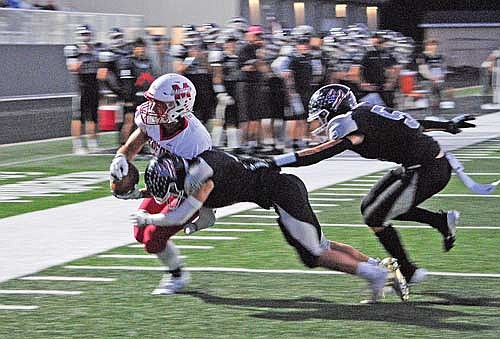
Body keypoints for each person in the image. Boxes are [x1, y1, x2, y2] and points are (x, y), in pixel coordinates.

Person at [131, 150, 408, 303]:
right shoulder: (198, 169)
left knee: (314, 254)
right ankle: (381, 267)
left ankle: (374, 275)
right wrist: (194, 228)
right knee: (322, 246)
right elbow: (206, 217)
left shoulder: (201, 177)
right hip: (283, 190)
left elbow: (178, 216)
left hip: (282, 193)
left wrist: (148, 219)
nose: (171, 195)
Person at [270, 84, 477, 284]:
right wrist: (447, 125)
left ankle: (408, 270)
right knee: (369, 207)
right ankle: (440, 221)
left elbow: (322, 153)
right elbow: (412, 123)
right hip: (421, 165)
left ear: (335, 109)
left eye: (322, 115)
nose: (320, 122)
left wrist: (274, 162)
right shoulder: (365, 111)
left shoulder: (351, 124)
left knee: (376, 216)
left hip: (428, 169)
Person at [109, 73, 214, 295]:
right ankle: (175, 269)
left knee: (152, 239)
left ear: (179, 106)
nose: (151, 108)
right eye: (152, 101)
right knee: (140, 233)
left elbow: (196, 187)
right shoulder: (154, 119)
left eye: (159, 104)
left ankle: (177, 275)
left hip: (190, 193)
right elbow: (132, 146)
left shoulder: (195, 141)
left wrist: (142, 193)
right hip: (167, 185)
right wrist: (120, 158)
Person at [64, 24, 101, 154]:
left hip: (93, 84)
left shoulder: (95, 49)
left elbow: (101, 68)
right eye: (83, 34)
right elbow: (73, 68)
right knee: (78, 117)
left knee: (93, 116)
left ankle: (92, 143)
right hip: (80, 86)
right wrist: (84, 56)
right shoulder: (74, 49)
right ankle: (77, 144)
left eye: (87, 34)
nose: (85, 37)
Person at [359, 32, 399, 107]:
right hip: (371, 87)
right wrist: (363, 83)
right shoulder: (368, 55)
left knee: (388, 107)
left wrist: (391, 82)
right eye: (377, 43)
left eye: (381, 42)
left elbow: (394, 69)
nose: (379, 45)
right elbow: (360, 70)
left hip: (384, 88)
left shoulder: (388, 55)